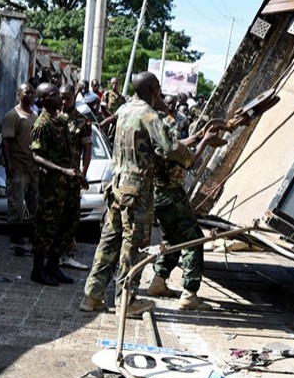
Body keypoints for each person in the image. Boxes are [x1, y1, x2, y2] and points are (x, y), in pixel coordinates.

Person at [80, 72, 223, 317]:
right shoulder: (150, 116)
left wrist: (195, 137)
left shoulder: (125, 109)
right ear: (154, 89)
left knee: (109, 241)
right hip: (137, 192)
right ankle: (127, 300)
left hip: (116, 188)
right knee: (133, 245)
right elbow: (173, 152)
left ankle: (92, 296)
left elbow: (155, 145)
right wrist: (203, 145)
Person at [147, 95, 225, 310]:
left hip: (157, 195)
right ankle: (190, 293)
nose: (167, 104)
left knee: (173, 239)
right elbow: (188, 161)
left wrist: (197, 136)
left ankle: (158, 282)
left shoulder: (149, 129)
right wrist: (205, 142)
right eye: (163, 101)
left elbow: (175, 146)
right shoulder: (161, 126)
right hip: (171, 195)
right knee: (193, 239)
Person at [29, 83, 85, 286]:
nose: (59, 97)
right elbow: (36, 156)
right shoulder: (42, 124)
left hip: (68, 183)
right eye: (53, 94)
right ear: (44, 100)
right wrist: (62, 170)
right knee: (46, 227)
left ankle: (53, 266)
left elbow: (69, 152)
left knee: (68, 224)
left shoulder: (61, 121)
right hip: (51, 185)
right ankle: (38, 269)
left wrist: (78, 174)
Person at [59, 84, 92, 271]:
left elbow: (87, 150)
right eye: (61, 98)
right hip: (53, 176)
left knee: (71, 216)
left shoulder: (82, 121)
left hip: (72, 176)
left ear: (74, 97)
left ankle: (67, 253)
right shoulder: (52, 117)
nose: (64, 102)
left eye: (68, 98)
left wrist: (84, 174)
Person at [1, 83, 38, 253]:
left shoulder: (34, 116)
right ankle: (16, 243)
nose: (29, 94)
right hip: (17, 167)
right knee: (16, 206)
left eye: (31, 92)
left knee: (35, 206)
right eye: (26, 92)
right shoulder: (12, 116)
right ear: (18, 94)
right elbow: (6, 142)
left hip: (31, 169)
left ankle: (33, 240)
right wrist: (9, 164)